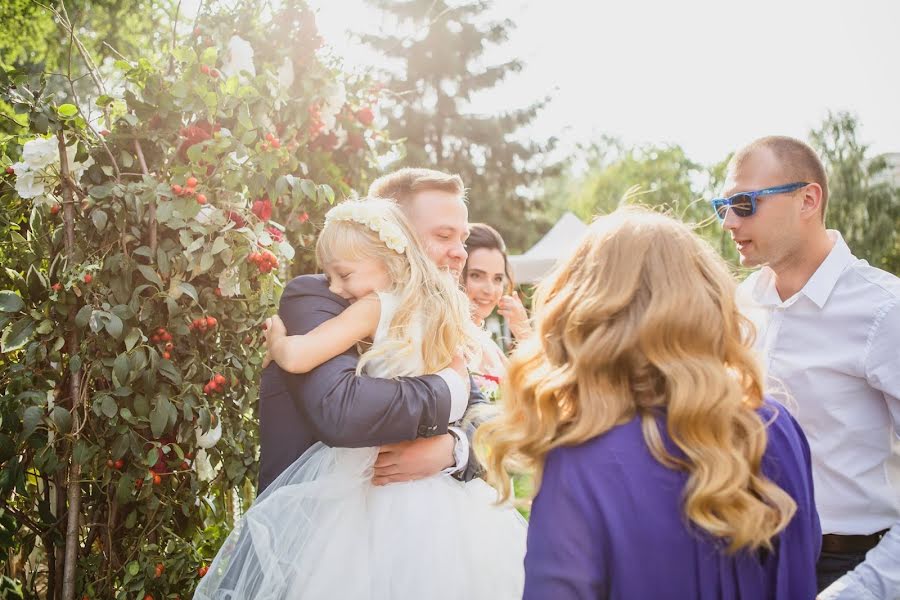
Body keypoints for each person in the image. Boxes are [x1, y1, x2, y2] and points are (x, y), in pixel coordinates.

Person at [478, 207, 821, 599]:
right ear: (706, 301)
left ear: (584, 312)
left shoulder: (582, 463)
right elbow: (805, 556)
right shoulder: (777, 429)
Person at [195, 199, 526, 599]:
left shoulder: (375, 306)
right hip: (440, 506)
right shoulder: (441, 309)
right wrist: (451, 393)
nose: (335, 289)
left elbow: (301, 357)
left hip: (364, 490)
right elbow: (453, 390)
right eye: (444, 235)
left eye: (343, 275)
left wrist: (279, 342)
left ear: (388, 260)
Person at [716, 136, 900, 599]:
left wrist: (865, 589)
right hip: (747, 560)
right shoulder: (740, 307)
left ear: (808, 199)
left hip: (847, 567)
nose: (728, 222)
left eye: (744, 203)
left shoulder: (884, 311)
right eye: (723, 205)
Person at [257, 168, 486, 494]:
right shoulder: (317, 297)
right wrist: (448, 388)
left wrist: (453, 448)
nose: (462, 252)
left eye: (463, 239)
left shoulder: (434, 315)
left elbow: (485, 417)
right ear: (395, 240)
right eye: (444, 236)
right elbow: (343, 411)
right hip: (324, 515)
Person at [460, 223, 530, 393]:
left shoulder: (487, 344)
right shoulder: (446, 341)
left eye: (497, 279)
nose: (489, 290)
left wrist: (524, 333)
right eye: (476, 275)